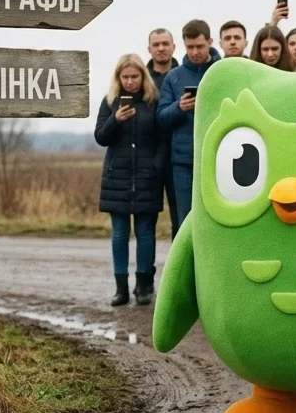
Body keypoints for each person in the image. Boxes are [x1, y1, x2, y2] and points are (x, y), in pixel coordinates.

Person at [95, 55, 161, 307]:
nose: (130, 81)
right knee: (120, 235)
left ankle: (143, 287)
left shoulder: (153, 102)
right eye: (125, 77)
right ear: (118, 78)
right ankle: (120, 289)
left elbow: (162, 138)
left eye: (135, 76)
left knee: (145, 234)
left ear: (143, 76)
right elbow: (100, 137)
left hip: (147, 178)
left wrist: (156, 165)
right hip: (117, 179)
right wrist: (116, 119)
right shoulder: (109, 102)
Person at [157, 20, 222, 223]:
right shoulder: (173, 77)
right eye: (190, 47)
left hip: (218, 157)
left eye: (200, 46)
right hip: (184, 162)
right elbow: (161, 117)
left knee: (217, 218)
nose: (195, 52)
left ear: (210, 42)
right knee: (185, 220)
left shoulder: (222, 72)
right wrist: (179, 107)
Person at [146, 28, 180, 235]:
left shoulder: (182, 75)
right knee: (147, 218)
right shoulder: (141, 79)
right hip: (149, 156)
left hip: (177, 154)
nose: (161, 48)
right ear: (149, 49)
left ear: (173, 47)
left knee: (180, 216)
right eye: (156, 45)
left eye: (165, 44)